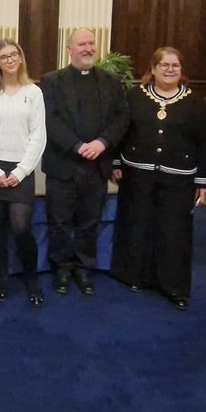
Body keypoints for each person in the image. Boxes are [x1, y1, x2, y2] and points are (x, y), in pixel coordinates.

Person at [110, 47, 206, 310]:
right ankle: (135, 276)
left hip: (179, 178)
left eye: (175, 66)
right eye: (164, 65)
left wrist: (204, 181)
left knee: (174, 232)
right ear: (153, 69)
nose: (169, 70)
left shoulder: (195, 102)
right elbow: (121, 131)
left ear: (181, 70)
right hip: (137, 173)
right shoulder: (135, 96)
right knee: (138, 225)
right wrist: (115, 162)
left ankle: (174, 287)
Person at [39, 28, 128, 296]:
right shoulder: (51, 81)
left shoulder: (111, 81)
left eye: (91, 43)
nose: (88, 48)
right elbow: (49, 119)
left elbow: (121, 118)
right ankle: (62, 269)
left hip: (97, 165)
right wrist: (76, 146)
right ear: (69, 49)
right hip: (63, 163)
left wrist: (102, 142)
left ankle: (83, 268)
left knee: (90, 221)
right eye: (82, 44)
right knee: (60, 221)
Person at [0, 39, 46, 306]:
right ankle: (1, 279)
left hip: (22, 170)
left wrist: (20, 171)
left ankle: (32, 278)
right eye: (3, 57)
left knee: (20, 226)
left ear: (20, 58)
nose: (9, 60)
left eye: (14, 54)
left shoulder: (34, 92)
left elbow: (38, 136)